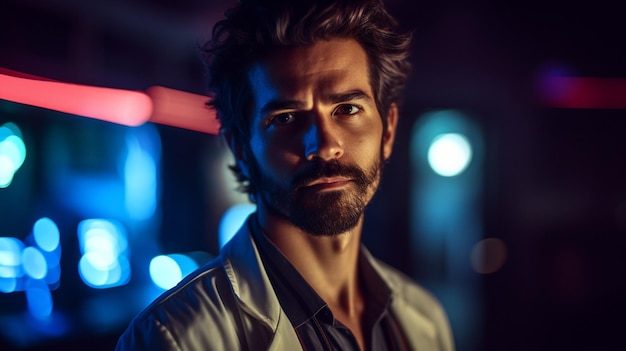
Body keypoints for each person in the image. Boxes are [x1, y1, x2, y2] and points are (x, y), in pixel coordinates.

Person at [116, 0, 454, 349]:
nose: (324, 145)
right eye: (286, 118)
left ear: (388, 131)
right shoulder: (175, 337)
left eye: (348, 109)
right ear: (241, 148)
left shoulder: (423, 319)